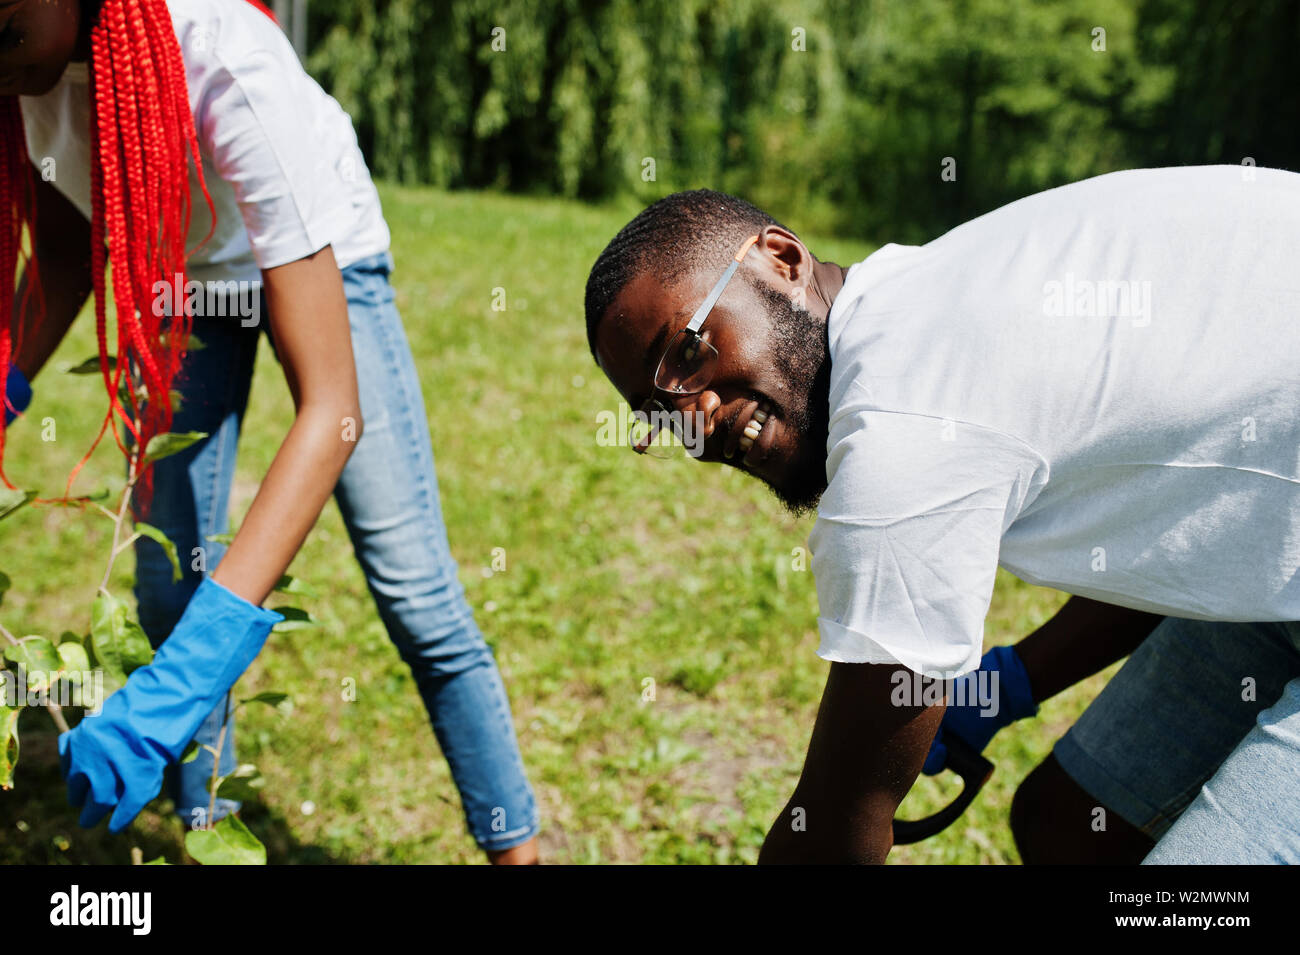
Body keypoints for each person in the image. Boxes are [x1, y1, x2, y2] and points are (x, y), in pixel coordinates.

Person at [583, 168, 1300, 864]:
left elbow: (838, 826)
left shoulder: (903, 420)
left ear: (782, 259)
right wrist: (1006, 684)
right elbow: (1188, 538)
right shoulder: (918, 297)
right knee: (1070, 826)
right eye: (656, 414)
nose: (693, 416)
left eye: (687, 351)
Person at [2, 0, 538, 863]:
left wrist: (186, 674)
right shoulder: (28, 72)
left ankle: (518, 850)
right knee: (171, 585)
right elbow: (67, 252)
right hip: (189, 281)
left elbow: (335, 412)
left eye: (2, 25)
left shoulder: (223, 59)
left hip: (326, 258)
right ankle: (206, 829)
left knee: (415, 594)